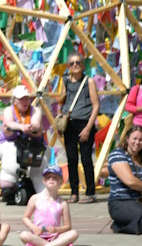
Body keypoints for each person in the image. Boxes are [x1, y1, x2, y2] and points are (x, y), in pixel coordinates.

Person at [56, 53, 99, 203]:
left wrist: (88, 127)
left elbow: (96, 105)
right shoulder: (65, 81)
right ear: (68, 66)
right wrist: (59, 120)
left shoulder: (89, 81)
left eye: (78, 62)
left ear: (82, 65)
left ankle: (90, 193)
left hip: (84, 122)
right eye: (72, 63)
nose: (75, 65)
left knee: (86, 159)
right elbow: (61, 102)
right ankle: (74, 193)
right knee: (71, 158)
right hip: (70, 123)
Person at [0, 84, 47, 194]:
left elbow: (37, 125)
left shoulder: (35, 110)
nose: (24, 102)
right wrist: (21, 127)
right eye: (21, 99)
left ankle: (41, 194)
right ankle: (8, 187)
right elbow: (8, 124)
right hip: (9, 145)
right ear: (15, 101)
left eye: (26, 99)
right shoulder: (8, 110)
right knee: (11, 157)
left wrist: (31, 127)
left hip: (33, 146)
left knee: (41, 163)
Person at [18, 165, 77, 246]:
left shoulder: (63, 203)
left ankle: (50, 244)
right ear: (43, 181)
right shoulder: (35, 198)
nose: (51, 179)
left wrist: (57, 229)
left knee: (74, 233)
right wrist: (34, 228)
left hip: (55, 237)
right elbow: (25, 218)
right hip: (38, 236)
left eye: (55, 177)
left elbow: (68, 226)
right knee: (24, 234)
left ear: (61, 181)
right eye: (48, 177)